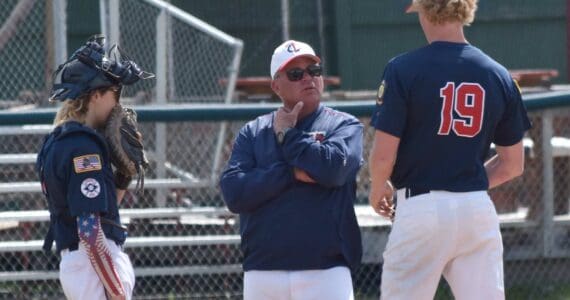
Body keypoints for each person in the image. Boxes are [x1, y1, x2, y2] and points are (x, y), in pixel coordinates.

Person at [368, 1, 532, 299]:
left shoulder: (402, 68)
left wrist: (378, 187)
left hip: (420, 207)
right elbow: (512, 164)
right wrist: (462, 184)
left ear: (425, 10)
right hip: (476, 208)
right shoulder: (499, 74)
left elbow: (382, 156)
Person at [220, 40, 363, 300]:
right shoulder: (253, 132)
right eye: (296, 74)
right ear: (276, 86)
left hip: (326, 270)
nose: (308, 78)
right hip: (264, 272)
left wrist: (289, 136)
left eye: (314, 70)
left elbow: (332, 171)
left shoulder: (343, 125)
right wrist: (290, 173)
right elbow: (234, 192)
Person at [36, 35, 153, 300]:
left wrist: (122, 177)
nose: (118, 104)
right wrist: (116, 292)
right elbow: (89, 230)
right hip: (93, 264)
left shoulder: (59, 139)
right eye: (115, 93)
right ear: (96, 95)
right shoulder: (82, 147)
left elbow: (100, 212)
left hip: (85, 263)